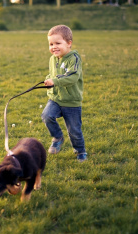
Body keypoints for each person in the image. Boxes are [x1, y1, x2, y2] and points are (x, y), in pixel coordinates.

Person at [41, 25, 87, 162]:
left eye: (58, 43)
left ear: (69, 43)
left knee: (75, 131)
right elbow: (52, 74)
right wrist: (48, 80)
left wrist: (55, 81)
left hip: (71, 101)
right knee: (47, 116)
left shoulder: (74, 59)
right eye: (51, 44)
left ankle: (80, 151)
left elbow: (73, 77)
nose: (54, 47)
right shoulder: (52, 59)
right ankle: (57, 137)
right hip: (55, 98)